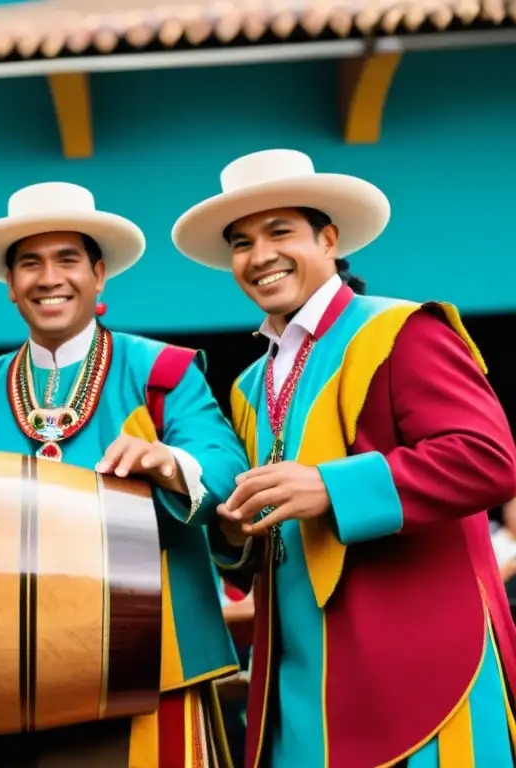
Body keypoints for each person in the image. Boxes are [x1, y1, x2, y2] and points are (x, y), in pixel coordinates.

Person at [172, 148, 516, 767]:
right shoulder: (250, 384)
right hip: (296, 678)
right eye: (242, 242)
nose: (260, 256)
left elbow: (487, 458)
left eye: (280, 231)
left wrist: (331, 487)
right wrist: (233, 530)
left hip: (419, 661)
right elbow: (264, 531)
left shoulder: (402, 329)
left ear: (328, 239)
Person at [0, 182, 250, 766]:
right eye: (30, 263)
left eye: (68, 259)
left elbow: (227, 468)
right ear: (10, 286)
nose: (49, 278)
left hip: (156, 664)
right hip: (9, 670)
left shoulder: (161, 370)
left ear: (99, 274)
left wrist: (169, 462)